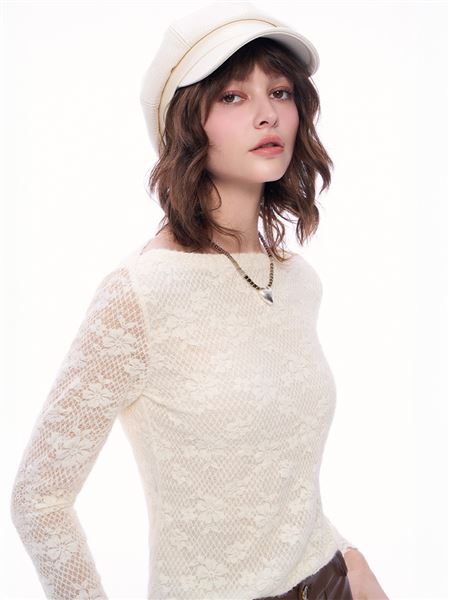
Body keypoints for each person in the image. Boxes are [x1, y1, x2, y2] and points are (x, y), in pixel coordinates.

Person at [10, 2, 389, 599]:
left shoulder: (296, 281)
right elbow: (39, 499)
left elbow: (279, 480)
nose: (268, 114)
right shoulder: (141, 292)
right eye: (234, 97)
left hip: (335, 583)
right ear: (187, 124)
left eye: (281, 92)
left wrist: (350, 557)